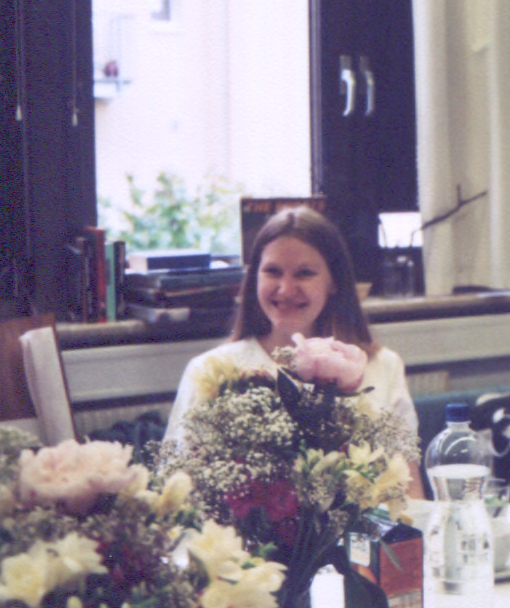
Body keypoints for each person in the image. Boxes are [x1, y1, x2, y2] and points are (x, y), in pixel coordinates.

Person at [164, 206, 422, 497]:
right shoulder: (207, 371)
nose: (286, 289)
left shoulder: (384, 366)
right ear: (254, 279)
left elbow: (408, 489)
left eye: (305, 273)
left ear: (333, 281)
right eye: (272, 271)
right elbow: (177, 491)